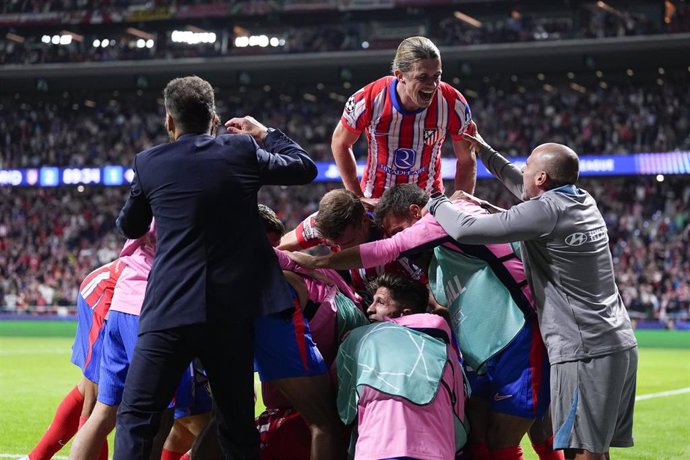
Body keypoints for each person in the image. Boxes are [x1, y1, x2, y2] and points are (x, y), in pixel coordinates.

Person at [114, 75, 318, 459]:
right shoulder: (240, 150)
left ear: (169, 122)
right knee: (237, 423)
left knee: (138, 416)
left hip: (170, 308)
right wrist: (264, 133)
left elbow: (131, 226)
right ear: (213, 117)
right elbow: (303, 168)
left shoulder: (149, 162)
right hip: (230, 313)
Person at [288, 184, 552, 460]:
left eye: (399, 229)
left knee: (513, 436)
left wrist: (318, 262)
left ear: (416, 212)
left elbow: (391, 248)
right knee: (480, 433)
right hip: (483, 351)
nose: (400, 238)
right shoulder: (439, 258)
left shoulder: (445, 216)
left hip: (518, 335)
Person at [427, 133, 638, 459]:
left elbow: (466, 230)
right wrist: (485, 151)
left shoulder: (546, 211)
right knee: (595, 447)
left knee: (582, 451)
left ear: (541, 178)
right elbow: (521, 188)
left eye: (527, 166)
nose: (521, 170)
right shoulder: (582, 200)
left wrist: (437, 202)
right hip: (617, 341)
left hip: (584, 348)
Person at [332, 35, 477, 204]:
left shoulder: (453, 104)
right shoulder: (368, 99)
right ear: (400, 76)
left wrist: (461, 205)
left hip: (429, 202)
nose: (432, 85)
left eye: (437, 76)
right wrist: (358, 199)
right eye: (423, 78)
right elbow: (340, 142)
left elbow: (467, 159)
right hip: (377, 200)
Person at [337, 274, 467, 459]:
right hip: (438, 452)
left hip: (378, 449)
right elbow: (459, 412)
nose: (369, 309)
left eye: (380, 302)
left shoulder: (359, 339)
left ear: (404, 314)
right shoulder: (448, 351)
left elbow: (343, 410)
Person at [24, 260, 123, 460]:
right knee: (97, 398)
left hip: (116, 295)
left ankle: (35, 458)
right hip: (104, 296)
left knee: (93, 392)